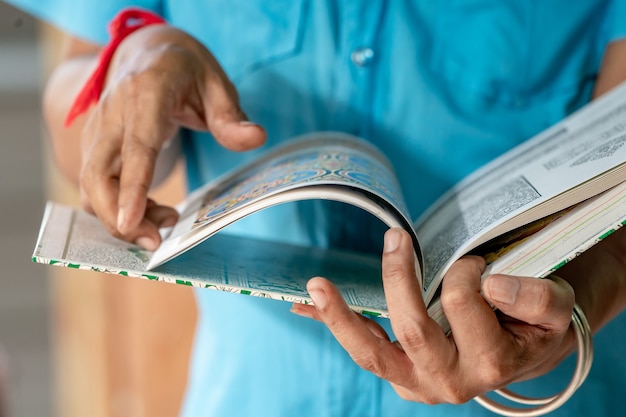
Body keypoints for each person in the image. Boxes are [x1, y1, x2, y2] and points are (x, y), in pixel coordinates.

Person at [8, 1, 626, 416]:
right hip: (252, 394)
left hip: (547, 393)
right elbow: (78, 83)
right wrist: (137, 60)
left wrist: (572, 306)